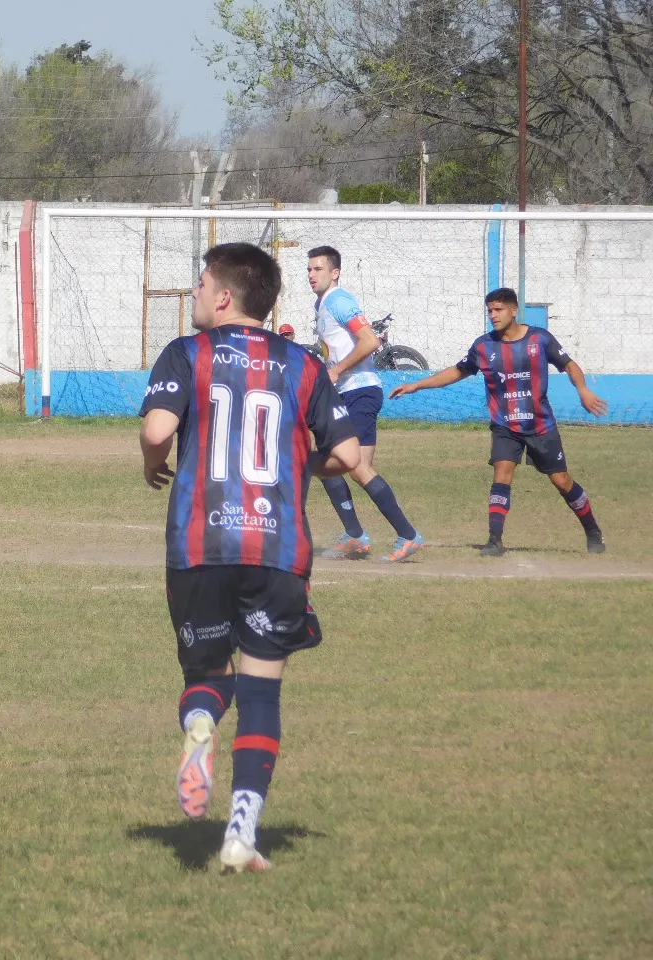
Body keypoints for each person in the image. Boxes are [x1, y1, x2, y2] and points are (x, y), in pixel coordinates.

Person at [140, 242, 360, 873]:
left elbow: (158, 432)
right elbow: (348, 457)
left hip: (198, 545)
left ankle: (202, 722)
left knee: (206, 675)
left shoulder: (186, 352)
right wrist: (299, 463)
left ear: (224, 295)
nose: (197, 292)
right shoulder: (305, 364)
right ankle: (241, 831)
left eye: (202, 282)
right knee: (263, 693)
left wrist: (152, 464)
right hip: (278, 549)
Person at [390, 288, 607, 556]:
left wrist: (583, 390)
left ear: (514, 310)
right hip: (505, 425)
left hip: (541, 425)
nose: (493, 315)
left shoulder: (540, 339)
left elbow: (570, 365)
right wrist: (417, 385)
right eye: (490, 310)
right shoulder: (483, 346)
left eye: (498, 309)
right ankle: (494, 540)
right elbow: (457, 371)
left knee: (561, 481)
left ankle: (592, 530)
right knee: (502, 475)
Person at [308, 245, 426, 562]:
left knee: (347, 465)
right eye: (309, 269)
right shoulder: (322, 303)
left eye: (318, 269)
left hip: (357, 392)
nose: (311, 275)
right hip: (348, 392)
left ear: (335, 272)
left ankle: (407, 534)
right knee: (341, 467)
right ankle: (356, 537)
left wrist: (335, 370)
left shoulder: (338, 299)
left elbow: (370, 341)